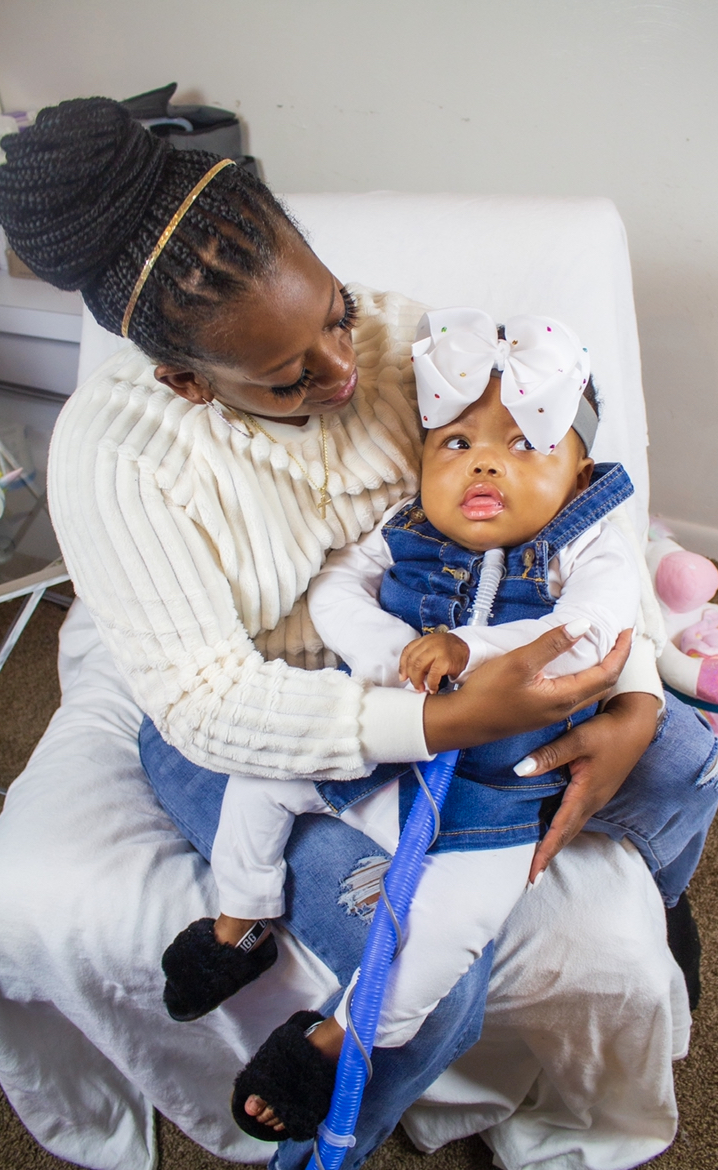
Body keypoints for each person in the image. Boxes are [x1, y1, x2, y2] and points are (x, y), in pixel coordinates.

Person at [0, 97, 715, 1166]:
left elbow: (562, 505)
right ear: (186, 380)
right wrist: (440, 718)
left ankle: (657, 904)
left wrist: (637, 701)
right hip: (260, 715)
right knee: (435, 984)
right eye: (289, 378)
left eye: (333, 312)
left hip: (447, 653)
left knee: (689, 762)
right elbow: (209, 701)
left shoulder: (394, 340)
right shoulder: (123, 462)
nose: (346, 372)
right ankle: (320, 1142)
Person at [160, 311, 642, 1088]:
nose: (485, 466)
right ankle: (238, 922)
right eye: (457, 444)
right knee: (263, 776)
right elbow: (334, 588)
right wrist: (392, 656)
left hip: (498, 796)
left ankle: (335, 1045)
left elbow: (592, 634)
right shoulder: (403, 523)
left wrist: (469, 652)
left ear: (579, 477)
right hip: (382, 745)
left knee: (448, 928)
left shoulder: (591, 542)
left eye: (525, 446)